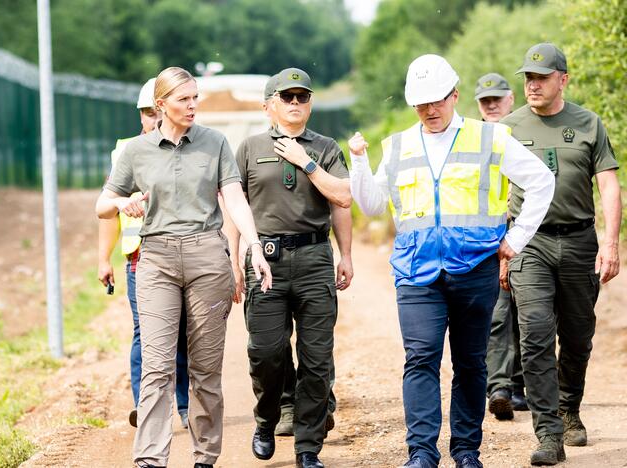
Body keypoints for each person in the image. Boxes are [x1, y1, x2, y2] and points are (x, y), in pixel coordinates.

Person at [349, 54, 554, 468]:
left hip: (475, 270)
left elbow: (542, 181)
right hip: (416, 272)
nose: (429, 110)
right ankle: (422, 453)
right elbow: (371, 205)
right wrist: (357, 161)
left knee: (470, 362)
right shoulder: (399, 144)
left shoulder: (490, 138)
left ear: (455, 95)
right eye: (420, 103)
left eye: (437, 101)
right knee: (420, 357)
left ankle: (465, 451)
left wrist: (515, 239)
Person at [96, 66, 272, 468]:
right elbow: (101, 204)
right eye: (183, 99)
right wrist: (123, 203)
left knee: (205, 368)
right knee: (156, 366)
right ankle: (150, 459)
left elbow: (234, 197)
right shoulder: (135, 151)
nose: (193, 106)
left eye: (195, 98)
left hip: (207, 257)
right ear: (161, 106)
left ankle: (205, 457)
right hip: (155, 259)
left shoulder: (215, 143)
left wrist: (254, 246)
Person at [504, 43, 621, 466]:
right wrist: (503, 248)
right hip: (529, 242)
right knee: (534, 332)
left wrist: (610, 243)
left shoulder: (589, 124)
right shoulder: (509, 127)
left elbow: (608, 184)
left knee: (577, 336)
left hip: (579, 242)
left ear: (563, 79)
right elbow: (495, 192)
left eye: (541, 77)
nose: (532, 85)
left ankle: (570, 407)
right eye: (528, 78)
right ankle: (548, 430)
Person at [230, 67, 353, 468]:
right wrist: (233, 258)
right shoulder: (249, 148)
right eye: (287, 97)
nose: (296, 103)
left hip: (315, 258)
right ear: (270, 106)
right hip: (265, 260)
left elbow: (343, 200)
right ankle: (266, 419)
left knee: (317, 359)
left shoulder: (327, 147)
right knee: (266, 352)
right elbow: (234, 208)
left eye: (302, 97)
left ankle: (307, 447)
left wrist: (346, 254)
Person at [97, 78, 190, 430]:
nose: (154, 118)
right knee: (144, 332)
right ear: (142, 116)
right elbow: (107, 210)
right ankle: (144, 405)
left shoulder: (191, 146)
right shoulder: (128, 152)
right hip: (141, 258)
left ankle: (183, 403)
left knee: (181, 333)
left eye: (157, 111)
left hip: (184, 252)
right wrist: (104, 258)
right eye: (148, 113)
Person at [473, 72, 529, 420]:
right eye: (485, 100)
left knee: (530, 315)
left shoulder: (525, 133)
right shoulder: (474, 140)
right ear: (478, 105)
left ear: (511, 99)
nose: (492, 105)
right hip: (490, 237)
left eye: (498, 99)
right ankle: (499, 387)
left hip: (527, 233)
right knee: (498, 314)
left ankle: (521, 385)